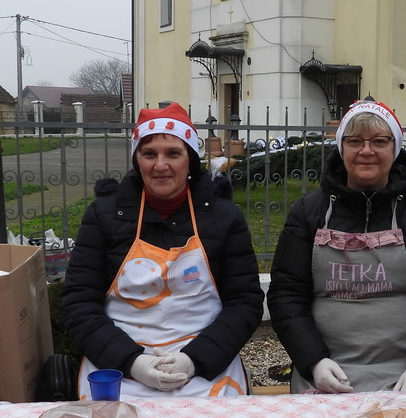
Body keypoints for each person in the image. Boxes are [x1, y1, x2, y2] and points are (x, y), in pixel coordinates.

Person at [60, 103, 264, 399]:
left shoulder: (224, 217)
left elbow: (245, 303)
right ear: (137, 160)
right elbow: (79, 304)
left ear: (190, 160)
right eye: (149, 154)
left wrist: (193, 360)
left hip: (206, 366)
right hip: (119, 367)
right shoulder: (104, 214)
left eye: (173, 153)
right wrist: (133, 362)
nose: (160, 165)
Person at [268, 97, 406, 393]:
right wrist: (314, 361)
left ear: (395, 148)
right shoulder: (308, 212)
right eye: (355, 141)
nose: (366, 151)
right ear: (341, 147)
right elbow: (286, 295)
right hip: (326, 374)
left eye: (379, 141)